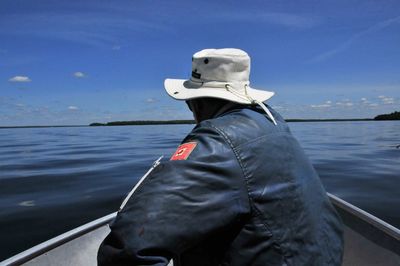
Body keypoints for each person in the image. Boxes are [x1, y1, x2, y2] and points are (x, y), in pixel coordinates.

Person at [97, 48, 344, 266]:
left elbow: (127, 252)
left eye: (189, 102)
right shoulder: (274, 124)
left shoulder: (218, 141)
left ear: (199, 102)